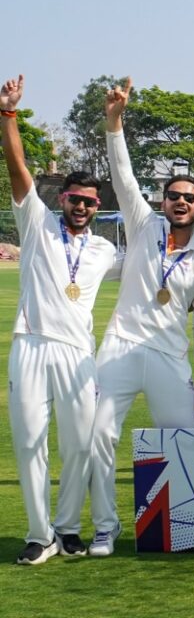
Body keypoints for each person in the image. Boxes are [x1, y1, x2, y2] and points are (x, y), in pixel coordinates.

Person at [89, 78, 194, 557]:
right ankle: (106, 528)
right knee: (98, 435)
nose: (180, 201)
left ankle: (192, 522)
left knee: (185, 440)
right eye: (173, 195)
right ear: (163, 202)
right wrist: (115, 121)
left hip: (168, 357)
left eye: (189, 197)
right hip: (120, 349)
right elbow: (123, 175)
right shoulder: (143, 225)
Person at [2, 75, 119, 565]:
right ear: (63, 199)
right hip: (31, 343)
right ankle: (40, 534)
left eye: (90, 201)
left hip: (77, 354)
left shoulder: (104, 249)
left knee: (80, 446)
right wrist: (8, 115)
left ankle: (68, 528)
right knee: (31, 443)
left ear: (97, 206)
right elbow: (19, 170)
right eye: (75, 199)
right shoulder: (37, 224)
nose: (82, 206)